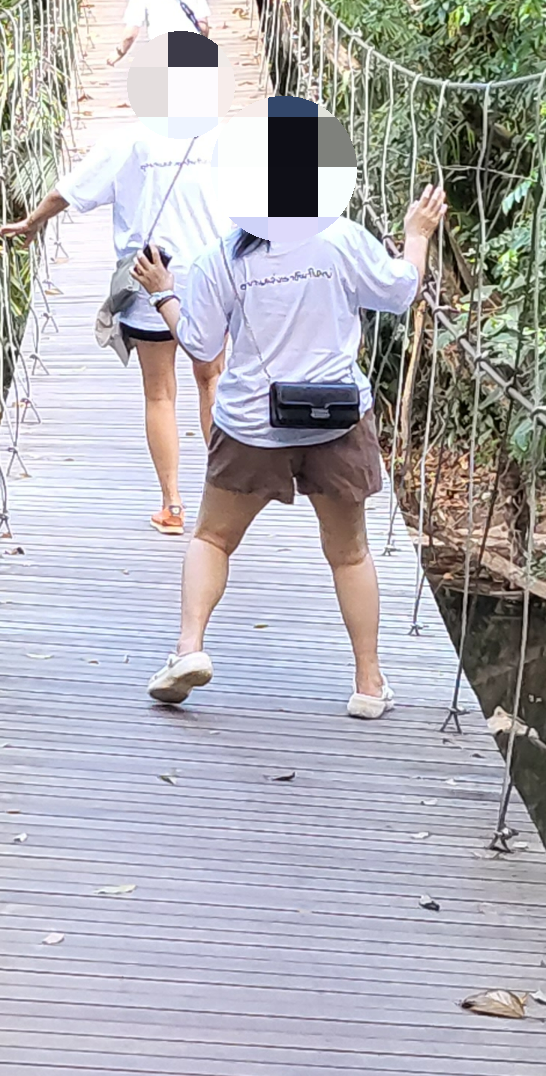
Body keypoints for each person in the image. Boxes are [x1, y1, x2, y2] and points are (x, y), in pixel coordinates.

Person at [131, 94, 446, 718]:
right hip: (336, 421)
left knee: (213, 538)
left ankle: (188, 647)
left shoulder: (228, 255)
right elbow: (400, 292)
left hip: (251, 422)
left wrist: (165, 294)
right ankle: (368, 684)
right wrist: (416, 237)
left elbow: (199, 345)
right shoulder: (343, 240)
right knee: (349, 552)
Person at [1, 0, 227, 531]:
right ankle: (219, 499)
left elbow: (66, 192)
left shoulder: (128, 141)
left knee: (160, 395)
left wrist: (31, 224)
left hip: (152, 277)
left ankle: (173, 506)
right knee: (213, 380)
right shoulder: (219, 140)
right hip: (208, 280)